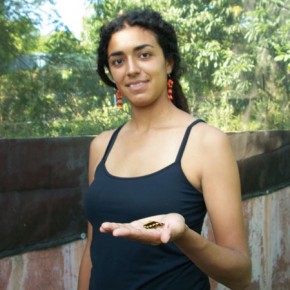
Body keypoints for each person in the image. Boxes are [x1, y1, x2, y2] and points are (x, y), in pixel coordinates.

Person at [78, 8, 251, 290]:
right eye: (118, 60)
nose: (132, 68)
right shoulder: (101, 145)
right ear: (111, 73)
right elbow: (93, 250)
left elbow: (241, 274)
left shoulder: (205, 142)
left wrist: (182, 235)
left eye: (144, 54)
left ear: (168, 62)